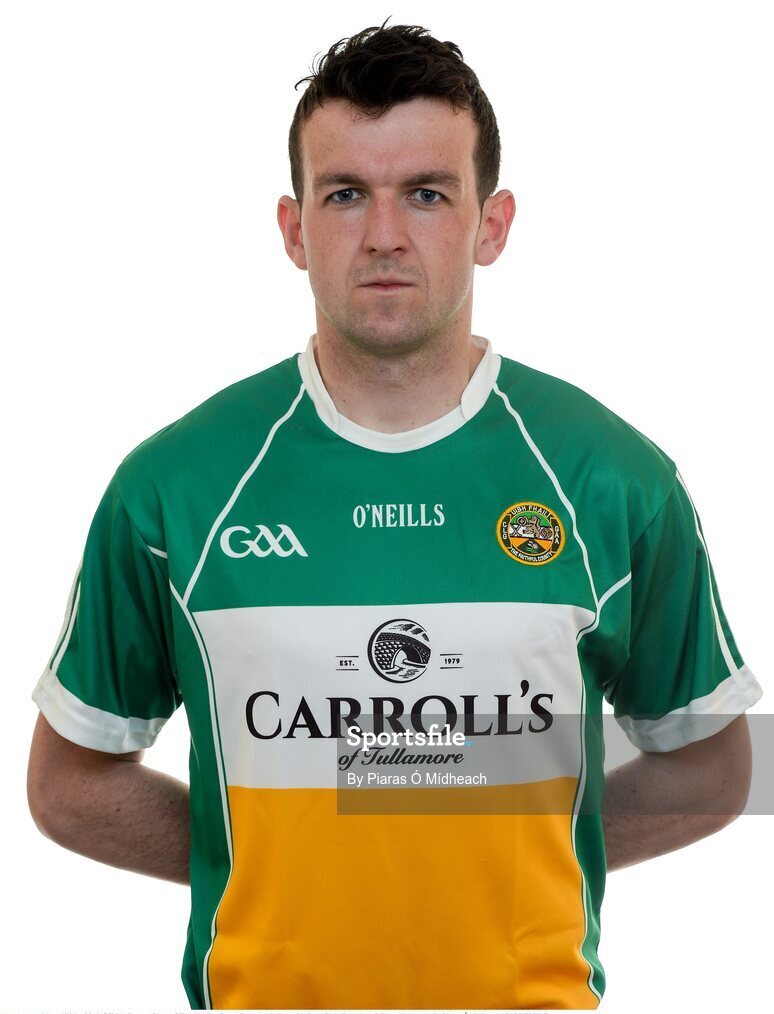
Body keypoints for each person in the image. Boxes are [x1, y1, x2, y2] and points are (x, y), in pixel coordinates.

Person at [27, 21, 762, 1011]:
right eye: (345, 195)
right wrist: (257, 859)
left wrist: (524, 850)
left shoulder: (612, 480)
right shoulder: (176, 489)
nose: (383, 234)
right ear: (293, 228)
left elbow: (712, 769)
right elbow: (69, 785)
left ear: (491, 224)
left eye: (426, 192)